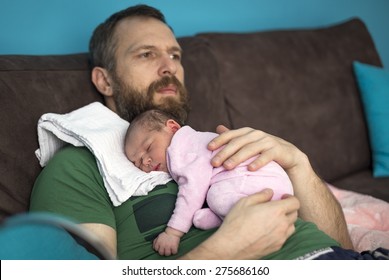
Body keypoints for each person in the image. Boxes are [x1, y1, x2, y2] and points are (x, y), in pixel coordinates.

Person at [29, 4, 355, 260]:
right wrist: (224, 252)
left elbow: (344, 246)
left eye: (175, 55)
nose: (169, 66)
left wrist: (298, 162)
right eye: (146, 54)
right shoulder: (77, 169)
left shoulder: (215, 144)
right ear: (105, 81)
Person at [124, 109, 295, 256]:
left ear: (173, 128)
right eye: (137, 162)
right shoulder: (193, 142)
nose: (145, 160)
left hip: (258, 181)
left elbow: (193, 190)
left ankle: (228, 216)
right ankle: (220, 217)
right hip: (268, 184)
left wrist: (173, 232)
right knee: (214, 198)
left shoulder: (182, 148)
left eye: (148, 148)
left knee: (216, 196)